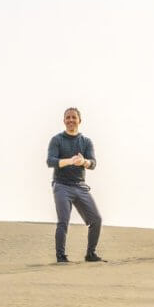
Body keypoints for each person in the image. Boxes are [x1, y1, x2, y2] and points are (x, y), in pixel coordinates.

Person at [47, 107, 104, 263]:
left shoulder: (86, 142)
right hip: (61, 186)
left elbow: (93, 164)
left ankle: (90, 254)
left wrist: (83, 162)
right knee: (63, 221)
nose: (71, 120)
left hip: (80, 186)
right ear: (64, 120)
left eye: (74, 117)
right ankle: (61, 257)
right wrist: (70, 161)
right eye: (68, 117)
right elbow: (50, 161)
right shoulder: (57, 140)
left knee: (96, 220)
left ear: (79, 120)